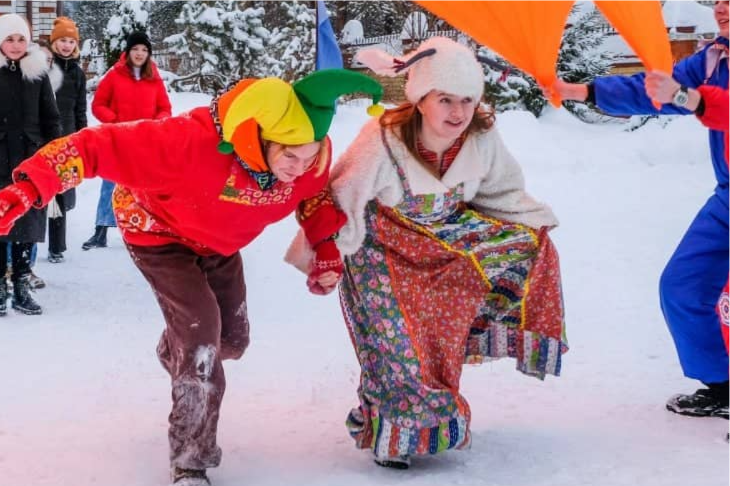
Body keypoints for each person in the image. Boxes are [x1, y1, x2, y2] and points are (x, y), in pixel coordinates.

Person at [0, 68, 382, 485]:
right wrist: (28, 189)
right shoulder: (186, 143)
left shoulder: (309, 162)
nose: (299, 167)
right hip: (157, 233)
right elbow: (92, 147)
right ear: (255, 137)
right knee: (201, 343)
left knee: (230, 341)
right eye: (289, 155)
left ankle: (178, 350)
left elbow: (314, 198)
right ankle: (190, 459)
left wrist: (325, 250)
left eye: (309, 156)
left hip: (218, 242)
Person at [287, 37, 567, 469]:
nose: (457, 113)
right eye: (445, 99)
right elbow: (338, 199)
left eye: (467, 101)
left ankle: (433, 370)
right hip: (383, 248)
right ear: (420, 99)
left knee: (529, 245)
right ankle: (393, 435)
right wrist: (327, 258)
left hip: (445, 239)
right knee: (397, 345)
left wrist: (530, 222)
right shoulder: (383, 138)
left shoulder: (481, 136)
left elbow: (502, 191)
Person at [546, 0, 730, 420]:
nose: (721, 6)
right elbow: (653, 89)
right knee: (683, 286)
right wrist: (580, 91)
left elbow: (712, 104)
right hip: (728, 197)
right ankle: (723, 386)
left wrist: (688, 97)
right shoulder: (713, 59)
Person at [83, 30, 171, 251]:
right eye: (136, 49)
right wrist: (116, 121)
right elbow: (98, 105)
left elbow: (165, 108)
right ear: (128, 51)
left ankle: (146, 231)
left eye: (144, 50)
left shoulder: (154, 76)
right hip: (118, 139)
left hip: (145, 141)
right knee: (110, 185)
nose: (140, 53)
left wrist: (156, 124)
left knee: (144, 188)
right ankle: (100, 231)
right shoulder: (115, 75)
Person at [0, 14, 60, 315]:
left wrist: (52, 157)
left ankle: (22, 287)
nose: (15, 45)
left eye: (20, 39)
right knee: (0, 225)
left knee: (26, 227)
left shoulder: (38, 75)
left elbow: (52, 119)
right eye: (9, 39)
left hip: (30, 163)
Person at [43, 16, 86, 263]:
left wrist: (82, 137)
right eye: (62, 41)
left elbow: (81, 109)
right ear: (54, 42)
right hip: (44, 138)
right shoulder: (46, 67)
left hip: (68, 138)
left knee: (61, 193)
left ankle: (56, 247)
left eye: (71, 41)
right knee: (41, 191)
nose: (67, 45)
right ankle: (28, 244)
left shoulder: (78, 73)